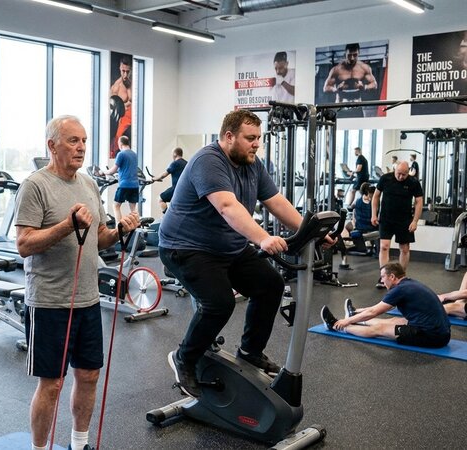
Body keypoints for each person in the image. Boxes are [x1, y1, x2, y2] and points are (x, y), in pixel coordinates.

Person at [158, 109, 323, 397]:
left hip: (228, 247)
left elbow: (276, 202)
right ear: (228, 136)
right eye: (250, 138)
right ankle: (184, 358)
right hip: (185, 248)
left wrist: (312, 230)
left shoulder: (252, 164)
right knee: (219, 303)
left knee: (270, 285)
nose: (256, 143)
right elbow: (227, 206)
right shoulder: (208, 161)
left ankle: (250, 352)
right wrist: (262, 238)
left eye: (259, 138)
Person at [15, 115, 139, 450]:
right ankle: (40, 449)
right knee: (52, 384)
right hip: (49, 302)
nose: (81, 147)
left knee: (88, 375)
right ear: (52, 145)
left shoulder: (88, 184)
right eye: (73, 140)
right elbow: (24, 244)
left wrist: (119, 232)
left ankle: (79, 443)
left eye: (83, 140)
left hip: (88, 300)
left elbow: (99, 238)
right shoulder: (34, 186)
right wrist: (65, 226)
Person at [320, 262, 450, 348]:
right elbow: (379, 306)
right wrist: (357, 314)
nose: (381, 281)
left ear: (392, 276)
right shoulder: (409, 283)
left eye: (383, 277)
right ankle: (355, 315)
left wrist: (347, 321)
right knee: (395, 320)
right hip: (443, 332)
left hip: (431, 336)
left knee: (380, 329)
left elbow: (374, 312)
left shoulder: (399, 290)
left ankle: (335, 326)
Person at [371, 161, 423, 288]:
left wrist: (415, 221)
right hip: (386, 218)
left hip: (404, 220)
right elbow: (376, 196)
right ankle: (384, 277)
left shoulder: (413, 182)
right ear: (395, 170)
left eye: (404, 175)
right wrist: (373, 214)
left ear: (408, 172)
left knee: (404, 249)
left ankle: (400, 277)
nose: (401, 177)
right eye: (399, 174)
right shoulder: (385, 178)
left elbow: (419, 201)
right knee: (384, 246)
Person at [323, 43, 378, 118]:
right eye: (349, 55)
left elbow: (374, 84)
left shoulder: (364, 68)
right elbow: (325, 88)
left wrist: (364, 87)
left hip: (357, 107)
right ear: (345, 54)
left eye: (355, 55)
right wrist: (336, 89)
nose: (352, 58)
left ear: (359, 53)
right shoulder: (337, 69)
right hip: (340, 107)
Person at [101, 135, 139, 224]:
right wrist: (119, 174)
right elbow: (127, 168)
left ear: (120, 143)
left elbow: (112, 170)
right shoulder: (134, 154)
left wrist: (103, 172)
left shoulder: (121, 154)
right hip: (135, 184)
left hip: (125, 184)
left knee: (116, 205)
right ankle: (137, 227)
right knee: (133, 208)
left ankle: (119, 228)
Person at [109, 55, 132, 157]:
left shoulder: (135, 84)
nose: (125, 74)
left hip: (134, 121)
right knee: (117, 142)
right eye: (123, 71)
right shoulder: (116, 86)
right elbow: (112, 106)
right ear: (120, 68)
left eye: (128, 71)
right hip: (123, 120)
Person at [153, 147, 188, 214]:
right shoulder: (186, 163)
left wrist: (154, 178)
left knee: (160, 199)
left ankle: (166, 216)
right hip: (185, 190)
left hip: (176, 189)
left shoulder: (175, 163)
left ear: (175, 154)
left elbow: (163, 175)